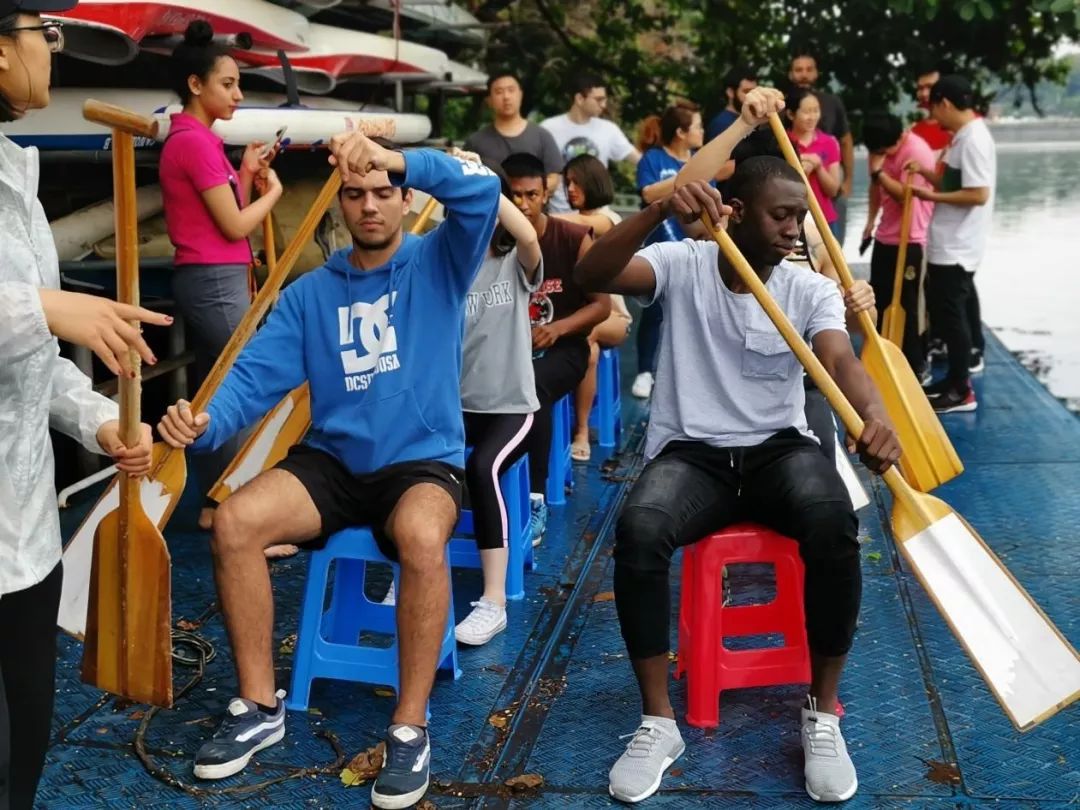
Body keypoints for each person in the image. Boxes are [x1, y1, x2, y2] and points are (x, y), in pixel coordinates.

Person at [157, 133, 500, 809]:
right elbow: (251, 379)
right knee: (234, 523)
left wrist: (392, 156)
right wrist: (202, 424)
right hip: (336, 462)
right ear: (338, 205)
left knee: (424, 539)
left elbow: (480, 191)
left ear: (404, 200)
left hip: (421, 462)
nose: (369, 205)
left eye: (382, 192)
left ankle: (409, 727)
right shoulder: (311, 294)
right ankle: (259, 705)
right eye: (355, 193)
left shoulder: (440, 263)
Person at [575, 160, 900, 805]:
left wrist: (877, 416)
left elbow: (838, 358)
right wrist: (659, 209)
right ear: (738, 212)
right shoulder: (682, 262)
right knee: (640, 531)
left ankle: (822, 713)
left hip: (778, 451)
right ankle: (658, 722)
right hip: (692, 454)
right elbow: (590, 275)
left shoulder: (809, 288)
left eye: (800, 215)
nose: (795, 227)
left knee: (835, 523)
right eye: (782, 214)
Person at [0, 4, 156, 808]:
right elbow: (36, 318)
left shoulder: (14, 177)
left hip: (23, 527)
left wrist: (94, 417)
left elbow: (39, 360)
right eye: (45, 35)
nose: (52, 55)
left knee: (24, 739)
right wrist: (42, 307)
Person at [160, 20, 283, 532]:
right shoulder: (193, 143)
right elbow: (235, 224)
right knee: (252, 384)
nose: (237, 94)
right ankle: (238, 513)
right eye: (227, 83)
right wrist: (273, 194)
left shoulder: (200, 142)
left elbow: (226, 223)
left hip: (217, 276)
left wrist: (249, 175)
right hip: (213, 281)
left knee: (219, 396)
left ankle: (217, 508)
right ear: (196, 85)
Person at [501, 152, 609, 543]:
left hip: (565, 349)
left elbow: (602, 305)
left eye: (531, 194)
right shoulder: (496, 241)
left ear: (545, 194)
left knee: (533, 387)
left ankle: (536, 495)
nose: (523, 205)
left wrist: (558, 328)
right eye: (515, 196)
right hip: (507, 350)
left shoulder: (573, 238)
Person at [455, 165, 543, 645]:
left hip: (512, 408)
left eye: (480, 205)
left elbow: (527, 233)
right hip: (458, 407)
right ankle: (409, 569)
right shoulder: (450, 266)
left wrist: (481, 177)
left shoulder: (517, 263)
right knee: (417, 464)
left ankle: (493, 600)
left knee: (482, 468)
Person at [910, 74, 994, 413]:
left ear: (944, 103)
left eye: (935, 108)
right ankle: (954, 380)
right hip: (946, 242)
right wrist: (926, 174)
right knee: (946, 316)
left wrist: (929, 194)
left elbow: (978, 193)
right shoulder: (961, 136)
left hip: (958, 245)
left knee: (952, 317)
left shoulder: (974, 138)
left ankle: (962, 390)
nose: (935, 117)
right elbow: (952, 180)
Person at [552, 155, 632, 461]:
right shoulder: (567, 221)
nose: (570, 188)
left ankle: (582, 431)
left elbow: (585, 224)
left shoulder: (608, 218)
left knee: (588, 340)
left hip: (614, 317)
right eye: (567, 182)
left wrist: (531, 217)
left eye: (576, 182)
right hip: (577, 313)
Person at [631, 102, 707, 400]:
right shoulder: (653, 158)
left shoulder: (702, 160)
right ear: (680, 132)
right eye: (698, 127)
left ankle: (691, 375)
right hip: (659, 247)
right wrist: (687, 178)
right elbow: (648, 193)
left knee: (695, 312)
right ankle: (644, 371)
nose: (702, 132)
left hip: (695, 249)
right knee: (653, 313)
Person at [861, 113, 936, 382]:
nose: (880, 154)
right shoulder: (879, 151)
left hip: (911, 239)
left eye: (883, 150)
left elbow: (905, 196)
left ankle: (918, 364)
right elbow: (875, 188)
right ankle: (883, 358)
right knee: (878, 299)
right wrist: (870, 221)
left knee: (909, 302)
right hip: (885, 237)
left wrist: (880, 172)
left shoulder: (916, 151)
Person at [541, 71, 640, 213]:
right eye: (599, 99)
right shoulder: (549, 128)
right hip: (560, 213)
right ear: (579, 98)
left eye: (604, 99)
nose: (604, 105)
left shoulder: (608, 129)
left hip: (597, 215)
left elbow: (639, 160)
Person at [788, 51, 853, 241]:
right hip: (793, 212)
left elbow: (846, 140)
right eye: (799, 70)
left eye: (809, 69)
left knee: (832, 256)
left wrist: (847, 181)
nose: (804, 74)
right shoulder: (782, 107)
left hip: (826, 205)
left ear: (816, 73)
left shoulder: (832, 102)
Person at [464, 72, 563, 193]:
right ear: (489, 100)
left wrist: (529, 191)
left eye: (511, 90)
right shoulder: (475, 142)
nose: (506, 97)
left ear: (521, 94)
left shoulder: (542, 136)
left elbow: (554, 176)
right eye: (499, 92)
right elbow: (466, 180)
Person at [785, 87, 841, 237]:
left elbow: (833, 190)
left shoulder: (829, 143)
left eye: (816, 110)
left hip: (825, 219)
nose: (812, 116)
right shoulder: (782, 142)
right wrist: (800, 165)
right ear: (791, 114)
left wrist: (818, 166)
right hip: (791, 221)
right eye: (806, 112)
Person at [705, 65, 757, 141]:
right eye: (746, 91)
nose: (752, 96)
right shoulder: (721, 124)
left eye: (754, 91)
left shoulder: (751, 119)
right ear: (730, 92)